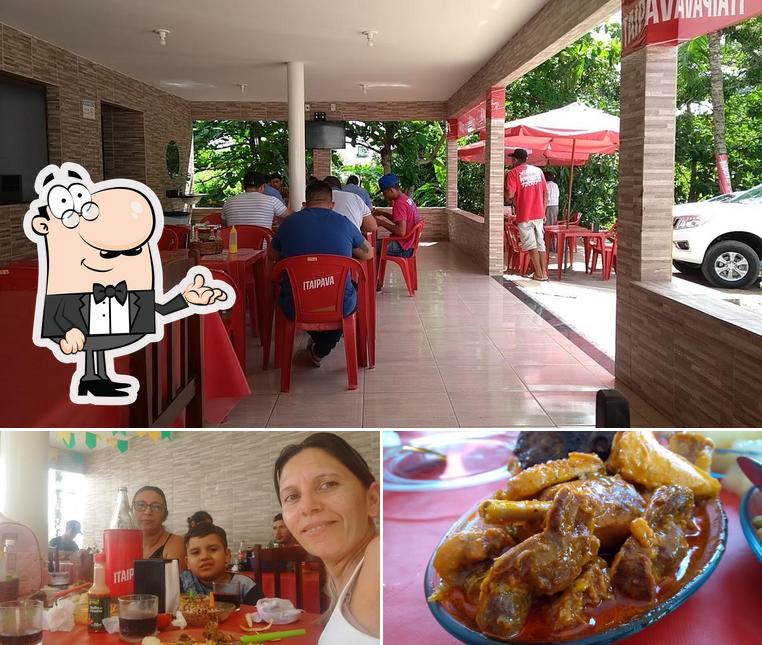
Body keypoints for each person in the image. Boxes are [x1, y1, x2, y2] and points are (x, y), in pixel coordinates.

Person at [274, 432, 379, 644]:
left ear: (372, 500)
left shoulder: (379, 557)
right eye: (292, 497)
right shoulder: (343, 590)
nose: (307, 507)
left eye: (327, 484)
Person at [268, 180, 373, 366]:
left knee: (296, 299)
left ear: (304, 204)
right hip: (338, 305)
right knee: (350, 295)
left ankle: (320, 344)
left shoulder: (289, 223)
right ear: (332, 205)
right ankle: (322, 347)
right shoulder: (343, 222)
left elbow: (273, 254)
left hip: (295, 305)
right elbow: (368, 253)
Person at [180, 523, 264, 605]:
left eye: (213, 549)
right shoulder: (182, 583)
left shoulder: (245, 586)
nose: (204, 557)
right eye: (196, 552)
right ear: (187, 562)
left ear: (227, 555)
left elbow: (263, 614)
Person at [505, 148, 549, 281]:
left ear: (516, 160)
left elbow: (510, 196)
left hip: (525, 214)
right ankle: (543, 273)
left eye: (512, 159)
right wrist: (543, 210)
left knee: (530, 245)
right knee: (540, 244)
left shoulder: (513, 173)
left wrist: (505, 187)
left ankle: (539, 274)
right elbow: (546, 193)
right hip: (539, 214)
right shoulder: (538, 171)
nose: (511, 161)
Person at [132, 486, 186, 569]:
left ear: (165, 515)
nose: (147, 512)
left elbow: (172, 581)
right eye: (141, 505)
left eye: (156, 507)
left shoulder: (176, 543)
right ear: (131, 512)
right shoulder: (124, 543)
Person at [372, 173, 420, 259]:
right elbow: (400, 220)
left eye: (384, 192)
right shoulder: (406, 199)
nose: (384, 196)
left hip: (403, 247)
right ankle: (378, 272)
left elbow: (401, 232)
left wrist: (381, 223)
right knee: (375, 244)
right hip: (410, 244)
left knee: (370, 247)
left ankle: (374, 272)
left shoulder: (399, 204)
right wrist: (383, 213)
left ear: (391, 190)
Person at [222, 170, 290, 228]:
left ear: (243, 186)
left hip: (234, 243)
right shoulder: (272, 201)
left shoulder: (229, 202)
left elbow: (224, 226)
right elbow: (293, 216)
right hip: (262, 243)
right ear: (262, 186)